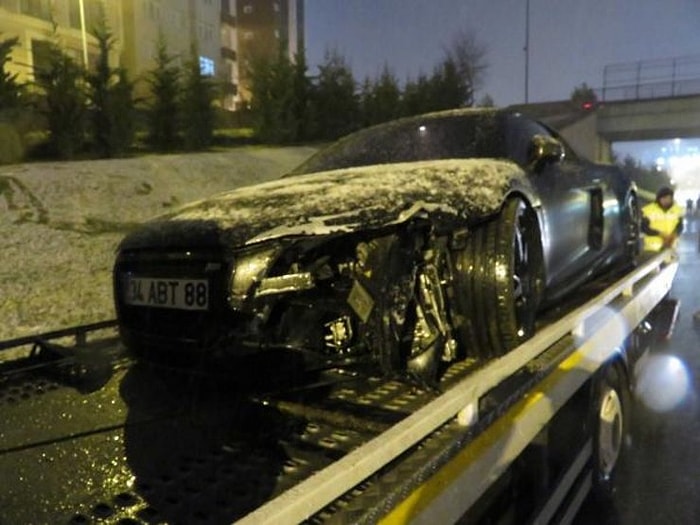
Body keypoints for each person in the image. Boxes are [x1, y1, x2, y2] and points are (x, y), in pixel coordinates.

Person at [641, 186, 684, 252]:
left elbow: (680, 226)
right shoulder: (649, 210)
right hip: (653, 249)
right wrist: (659, 234)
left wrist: (674, 234)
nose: (666, 200)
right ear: (659, 198)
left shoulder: (677, 210)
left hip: (671, 248)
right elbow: (643, 227)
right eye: (664, 198)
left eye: (669, 198)